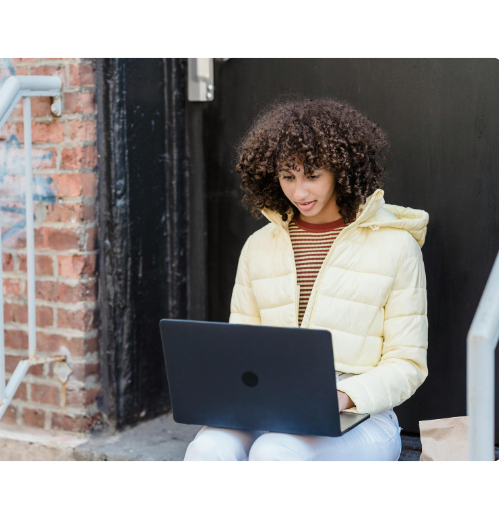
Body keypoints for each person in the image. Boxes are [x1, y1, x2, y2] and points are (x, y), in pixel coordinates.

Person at [184, 98, 429, 462]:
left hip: (361, 415)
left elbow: (407, 362)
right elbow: (242, 348)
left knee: (274, 451)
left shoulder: (397, 246)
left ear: (341, 170)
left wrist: (342, 396)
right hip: (269, 404)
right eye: (288, 176)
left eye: (312, 175)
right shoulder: (258, 246)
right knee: (207, 447)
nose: (299, 192)